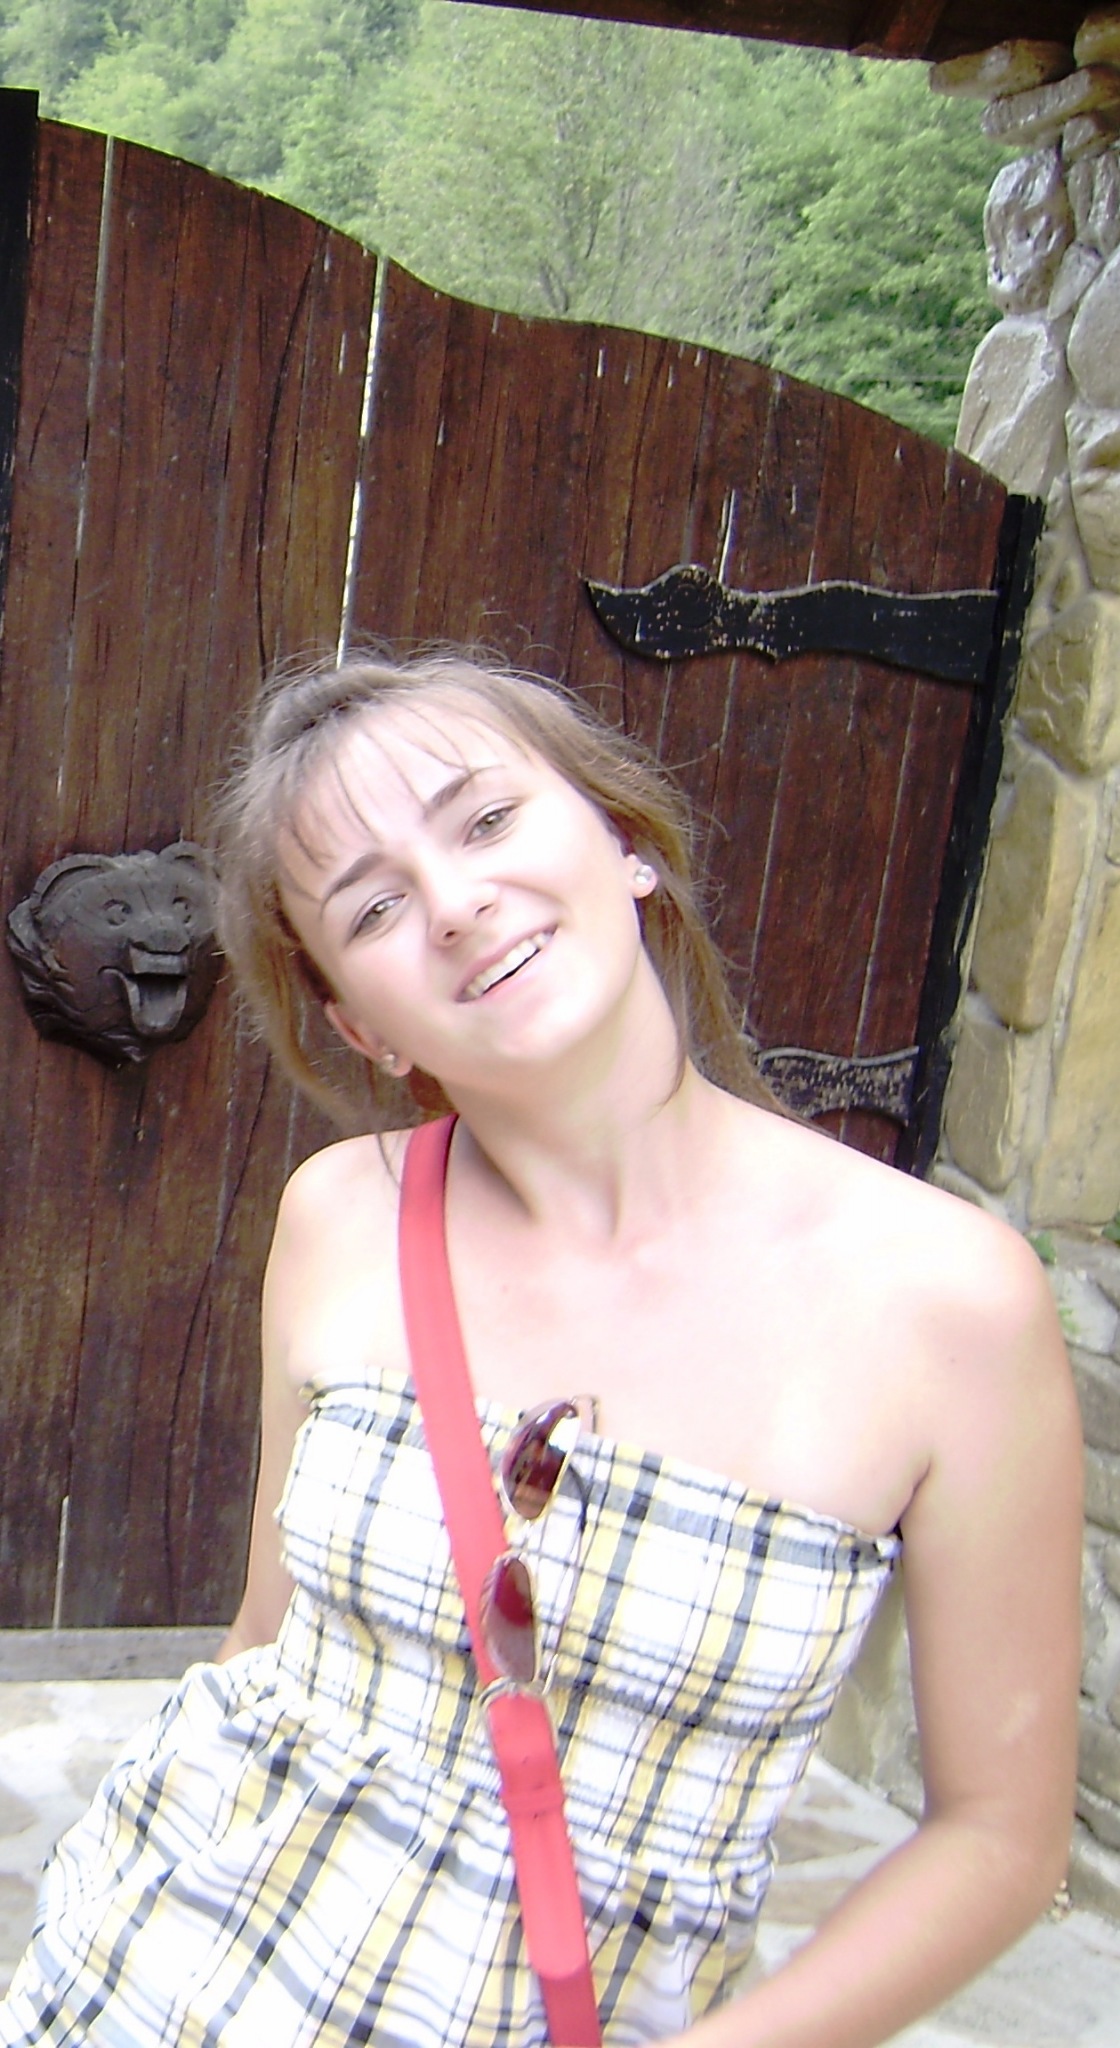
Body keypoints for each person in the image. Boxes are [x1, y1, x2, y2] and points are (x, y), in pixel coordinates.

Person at [0, 650, 1081, 2047]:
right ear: (362, 1025)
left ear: (626, 843)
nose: (456, 904)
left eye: (488, 820)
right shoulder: (341, 1218)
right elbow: (267, 1647)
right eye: (374, 906)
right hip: (163, 1989)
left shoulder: (950, 1303)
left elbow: (1001, 1839)